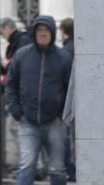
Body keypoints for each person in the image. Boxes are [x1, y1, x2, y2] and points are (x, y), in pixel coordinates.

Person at [5, 15, 72, 185]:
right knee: (26, 166)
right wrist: (17, 112)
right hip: (27, 122)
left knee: (58, 168)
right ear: (34, 33)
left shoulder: (64, 58)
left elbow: (70, 90)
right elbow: (11, 85)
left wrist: (62, 115)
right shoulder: (21, 55)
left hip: (55, 124)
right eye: (39, 30)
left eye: (46, 30)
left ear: (53, 32)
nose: (42, 33)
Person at [0, 17, 33, 174]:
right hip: (16, 92)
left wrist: (7, 64)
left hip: (21, 94)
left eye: (1, 32)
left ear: (7, 28)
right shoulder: (16, 42)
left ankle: (27, 166)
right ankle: (25, 165)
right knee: (16, 129)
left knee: (17, 129)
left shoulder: (21, 40)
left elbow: (20, 65)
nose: (2, 35)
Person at [59, 18, 75, 182]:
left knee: (66, 138)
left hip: (67, 100)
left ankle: (71, 170)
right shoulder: (77, 47)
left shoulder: (65, 51)